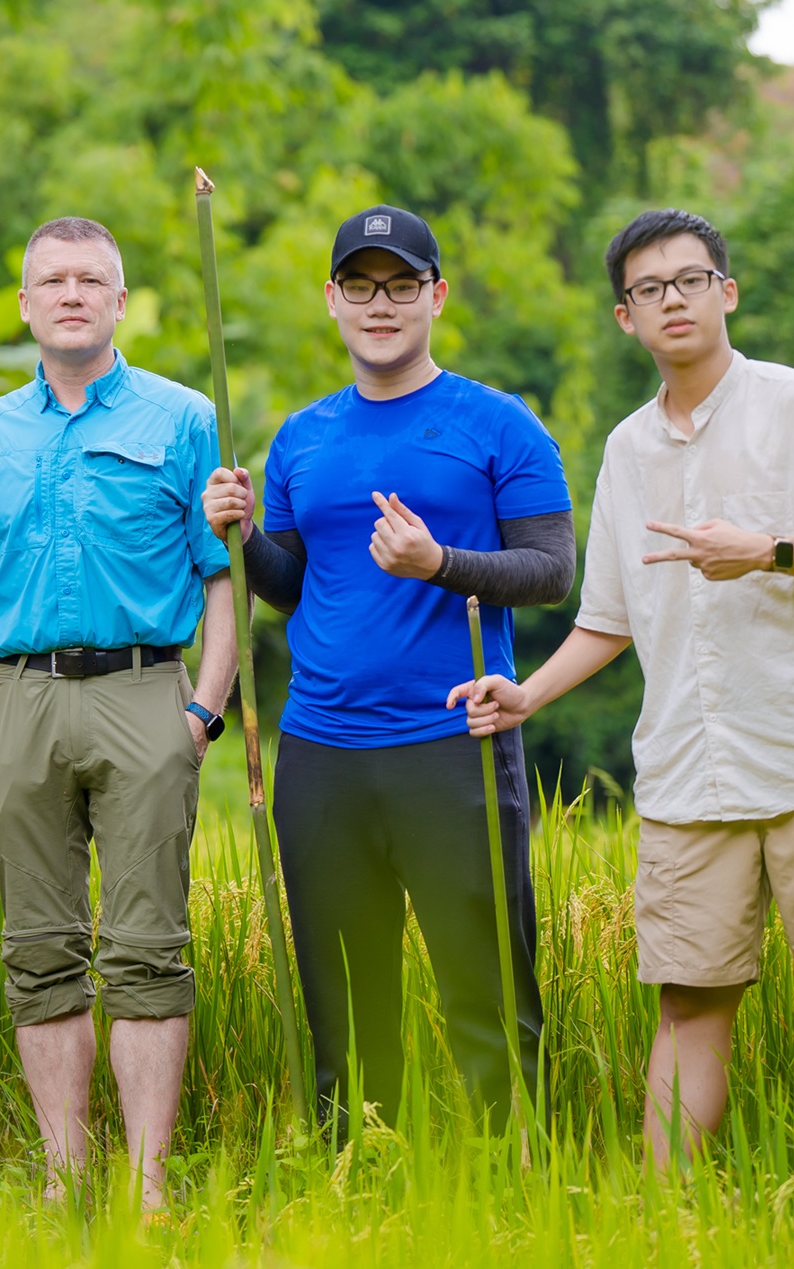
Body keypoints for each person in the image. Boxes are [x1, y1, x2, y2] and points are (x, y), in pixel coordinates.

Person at [451, 208, 794, 1182]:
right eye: (648, 289)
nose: (672, 300)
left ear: (726, 291)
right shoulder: (627, 449)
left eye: (689, 280)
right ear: (624, 316)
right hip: (689, 772)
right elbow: (608, 616)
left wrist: (767, 550)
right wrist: (527, 693)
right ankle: (664, 1220)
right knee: (687, 1001)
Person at [0, 217, 235, 1207]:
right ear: (25, 304)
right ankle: (66, 1178)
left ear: (119, 301)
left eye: (91, 279)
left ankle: (147, 1186)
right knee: (38, 948)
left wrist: (203, 710)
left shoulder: (184, 417)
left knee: (148, 947)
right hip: (19, 700)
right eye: (53, 280)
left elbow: (222, 575)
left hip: (145, 692)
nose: (72, 294)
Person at [201, 205, 573, 1133]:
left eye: (402, 285)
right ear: (331, 298)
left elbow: (553, 570)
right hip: (321, 749)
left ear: (435, 296)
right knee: (343, 996)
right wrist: (241, 532)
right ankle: (356, 1169)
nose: (381, 304)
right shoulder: (302, 436)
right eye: (361, 286)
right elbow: (292, 585)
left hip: (452, 742)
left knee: (485, 989)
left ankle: (512, 1174)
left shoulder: (500, 424)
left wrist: (439, 561)